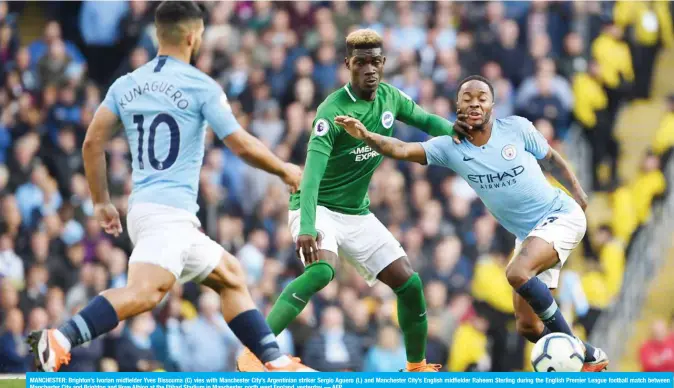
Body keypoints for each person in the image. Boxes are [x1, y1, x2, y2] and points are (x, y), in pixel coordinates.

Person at [26, 1, 313, 373]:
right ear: (194, 36)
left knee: (230, 276)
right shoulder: (201, 86)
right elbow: (239, 143)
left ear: (159, 35)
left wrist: (101, 202)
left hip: (151, 210)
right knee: (145, 292)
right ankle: (60, 337)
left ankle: (273, 360)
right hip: (167, 215)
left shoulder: (126, 84)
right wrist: (286, 169)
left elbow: (92, 143)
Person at [332, 75, 610, 372]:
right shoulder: (451, 148)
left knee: (516, 272)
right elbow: (400, 148)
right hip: (530, 235)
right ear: (458, 105)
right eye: (467, 98)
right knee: (527, 327)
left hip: (561, 215)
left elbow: (552, 158)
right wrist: (365, 136)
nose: (475, 102)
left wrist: (579, 193)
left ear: (493, 104)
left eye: (482, 97)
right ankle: (587, 353)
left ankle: (581, 354)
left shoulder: (516, 128)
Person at [236, 28, 471, 373]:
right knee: (321, 271)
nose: (370, 69)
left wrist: (456, 131)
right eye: (361, 62)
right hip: (316, 207)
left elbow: (424, 120)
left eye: (376, 61)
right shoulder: (330, 111)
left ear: (384, 63)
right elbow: (311, 176)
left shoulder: (390, 98)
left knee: (410, 283)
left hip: (356, 213)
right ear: (348, 64)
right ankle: (255, 354)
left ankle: (416, 366)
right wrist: (306, 225)